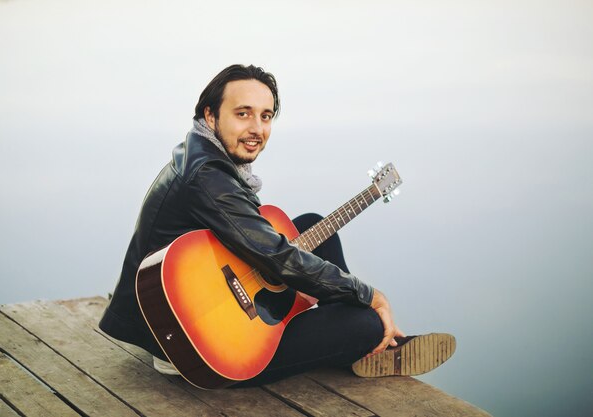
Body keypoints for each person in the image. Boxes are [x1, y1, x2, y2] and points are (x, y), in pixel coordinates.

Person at [99, 64, 455, 386]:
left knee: (313, 226)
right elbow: (277, 257)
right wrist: (369, 295)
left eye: (266, 116)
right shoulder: (209, 176)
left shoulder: (201, 154)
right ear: (210, 115)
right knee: (367, 322)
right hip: (205, 348)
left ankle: (350, 333)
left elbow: (261, 244)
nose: (257, 129)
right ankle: (367, 338)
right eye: (243, 114)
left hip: (179, 317)